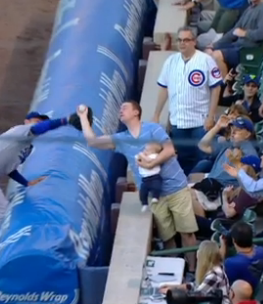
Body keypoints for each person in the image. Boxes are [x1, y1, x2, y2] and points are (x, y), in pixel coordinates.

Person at [77, 101, 198, 276]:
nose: (121, 110)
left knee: (187, 233)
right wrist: (83, 118)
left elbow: (169, 150)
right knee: (168, 237)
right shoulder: (122, 139)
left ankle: (193, 271)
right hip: (153, 195)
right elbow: (93, 142)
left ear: (136, 112)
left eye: (124, 108)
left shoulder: (153, 129)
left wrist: (151, 163)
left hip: (176, 188)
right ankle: (176, 272)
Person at [0, 111, 71, 267]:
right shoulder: (19, 130)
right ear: (27, 121)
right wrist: (66, 120)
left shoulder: (27, 147)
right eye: (35, 120)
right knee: (2, 210)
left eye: (40, 122)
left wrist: (26, 183)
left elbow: (10, 169)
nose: (37, 123)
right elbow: (41, 127)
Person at [152, 26, 223, 175]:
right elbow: (164, 88)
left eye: (186, 40)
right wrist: (157, 114)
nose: (182, 43)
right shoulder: (171, 61)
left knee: (203, 158)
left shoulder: (206, 60)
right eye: (179, 40)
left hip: (200, 121)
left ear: (194, 42)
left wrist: (211, 116)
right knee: (183, 160)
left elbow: (216, 88)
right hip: (179, 121)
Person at [160, 241, 232, 304]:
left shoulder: (214, 274)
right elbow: (194, 285)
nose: (197, 252)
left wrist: (174, 293)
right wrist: (173, 287)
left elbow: (196, 295)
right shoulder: (209, 268)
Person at [206, 0, 263, 77]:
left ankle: (225, 85)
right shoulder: (250, 8)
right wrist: (215, 45)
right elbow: (234, 31)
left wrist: (245, 33)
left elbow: (260, 34)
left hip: (250, 51)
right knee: (208, 51)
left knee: (217, 55)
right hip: (238, 45)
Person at [222, 221, 263, 294]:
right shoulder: (261, 250)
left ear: (233, 240)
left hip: (246, 298)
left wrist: (223, 249)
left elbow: (225, 284)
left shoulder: (231, 263)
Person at [136, 142, 163, 212]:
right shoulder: (145, 156)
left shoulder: (155, 156)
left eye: (147, 150)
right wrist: (139, 158)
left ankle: (156, 197)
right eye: (145, 149)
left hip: (155, 177)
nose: (144, 151)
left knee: (157, 187)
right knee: (142, 192)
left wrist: (142, 155)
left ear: (153, 152)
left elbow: (148, 160)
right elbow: (138, 161)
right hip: (145, 179)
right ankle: (144, 203)